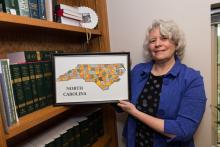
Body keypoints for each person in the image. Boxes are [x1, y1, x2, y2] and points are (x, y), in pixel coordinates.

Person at [117, 19, 207, 147]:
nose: (157, 44)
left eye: (164, 38)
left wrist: (135, 112)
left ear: (176, 43)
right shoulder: (138, 71)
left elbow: (183, 130)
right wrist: (115, 75)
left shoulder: (192, 79)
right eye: (152, 40)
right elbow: (121, 104)